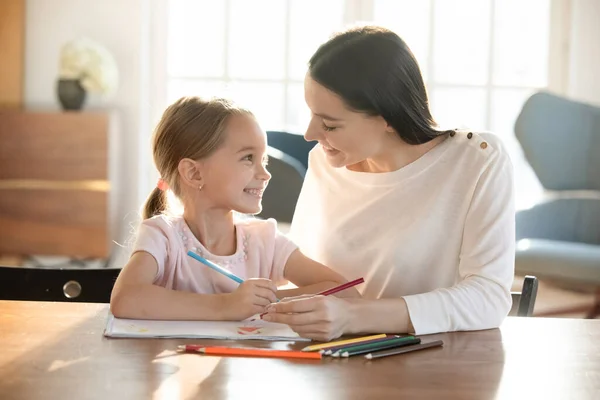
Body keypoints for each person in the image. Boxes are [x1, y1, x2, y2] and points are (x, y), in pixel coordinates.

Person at [262, 26, 515, 340]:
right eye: (313, 115)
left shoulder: (477, 160)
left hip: (431, 362)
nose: (310, 134)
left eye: (330, 124)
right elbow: (301, 271)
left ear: (389, 118)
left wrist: (354, 316)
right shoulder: (324, 161)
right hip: (328, 359)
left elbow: (488, 297)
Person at [110, 97, 358, 321]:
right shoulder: (162, 235)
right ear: (194, 173)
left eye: (264, 159)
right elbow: (126, 299)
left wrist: (263, 301)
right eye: (248, 158)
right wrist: (225, 305)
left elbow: (345, 293)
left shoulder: (265, 241)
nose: (266, 174)